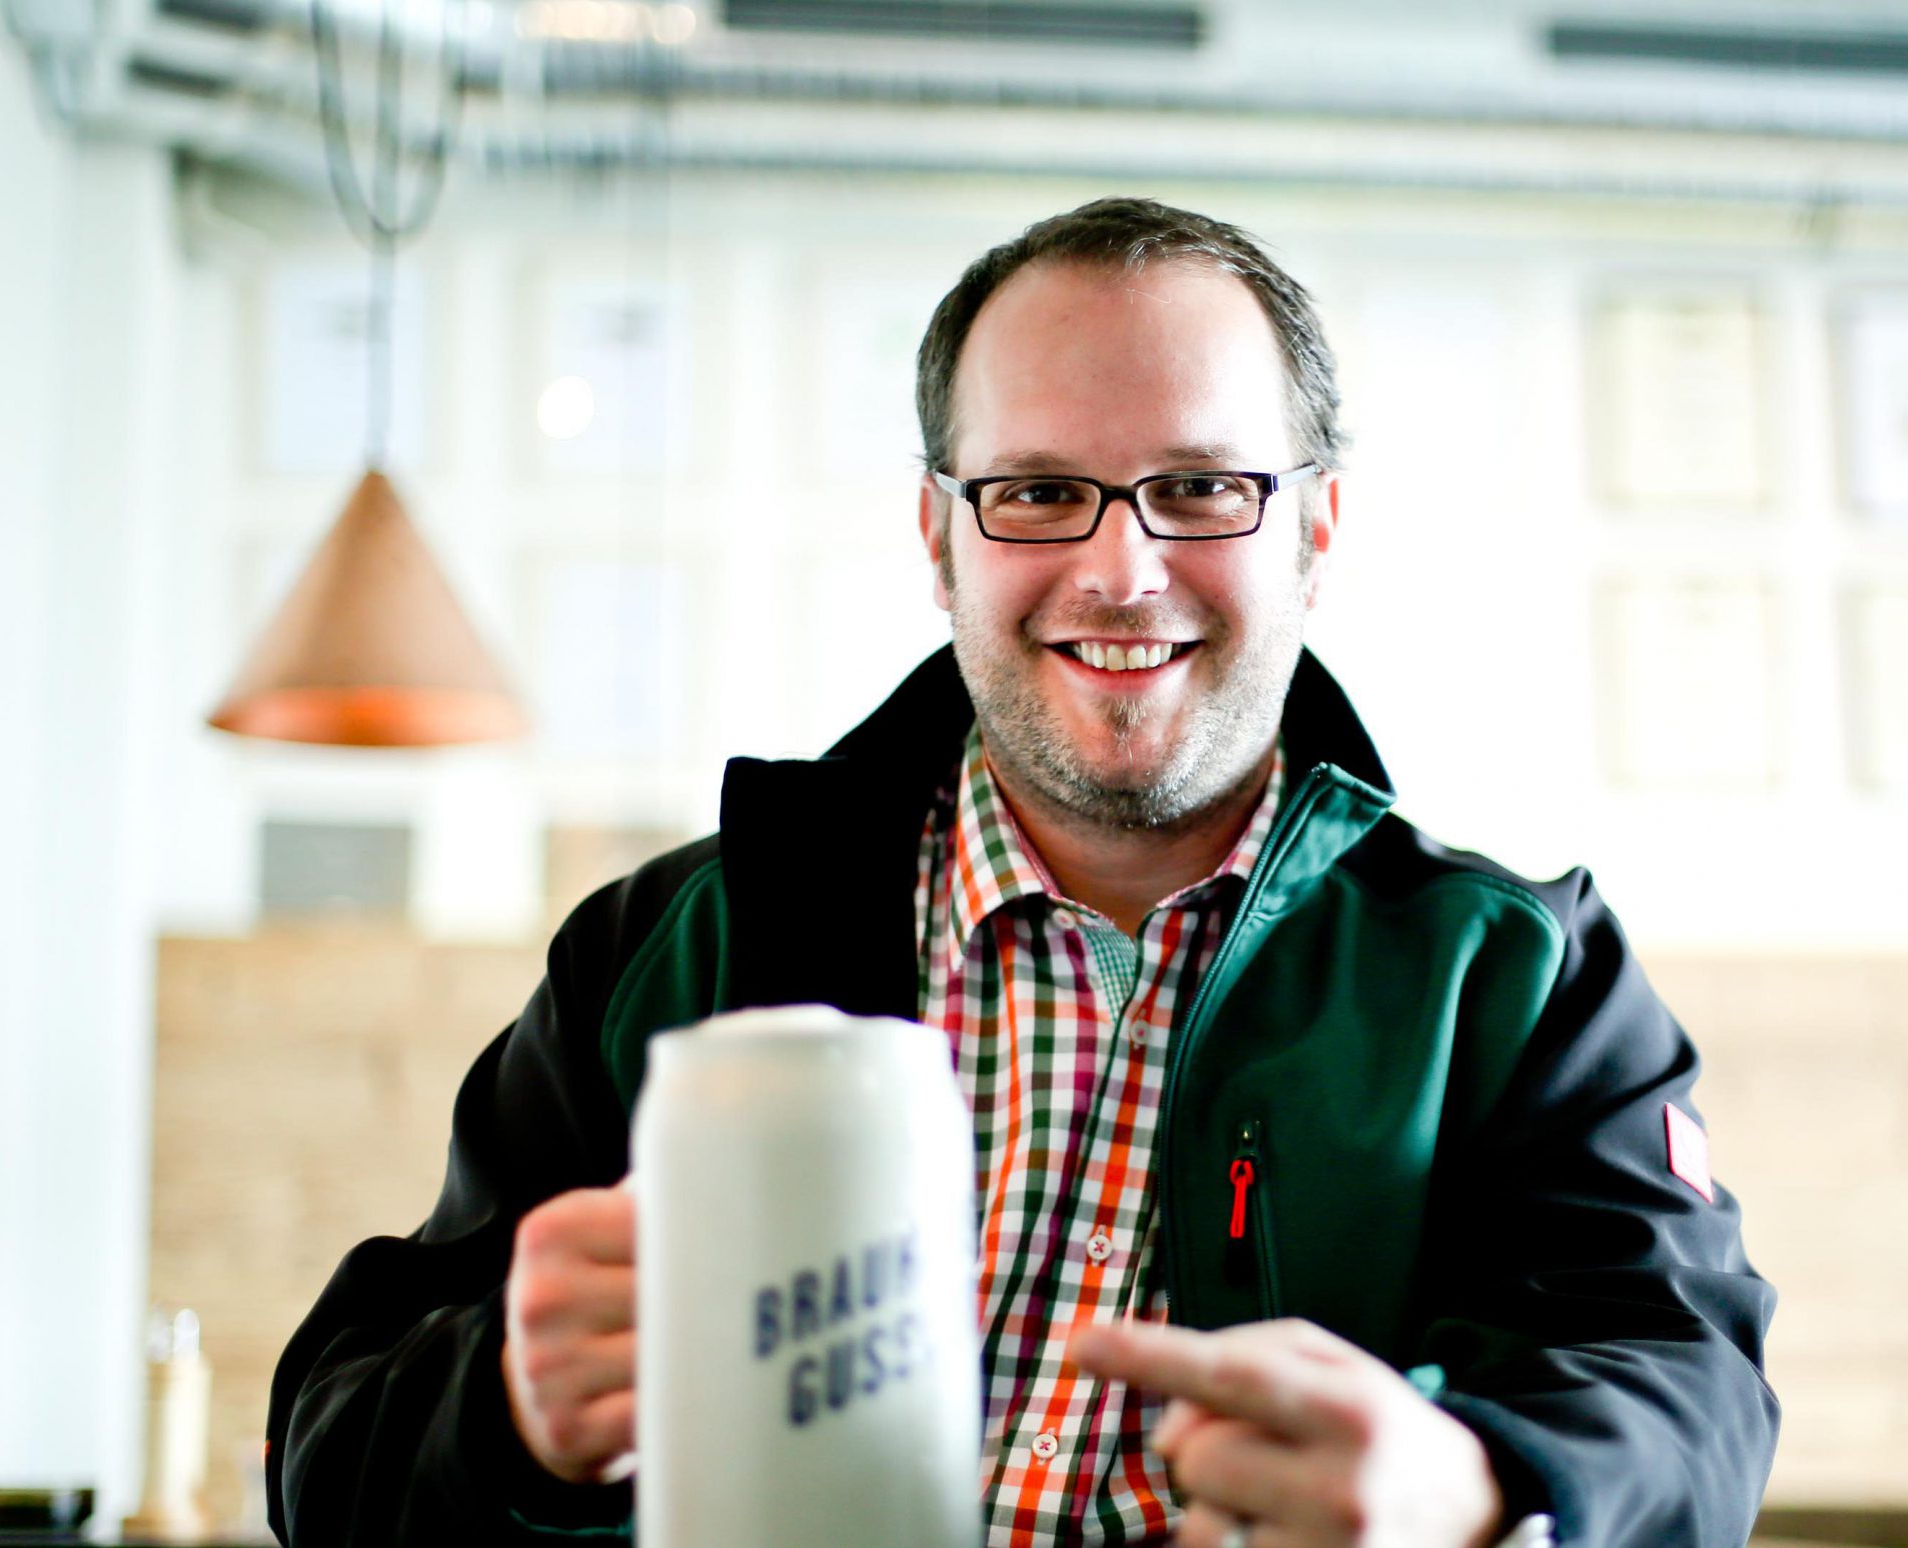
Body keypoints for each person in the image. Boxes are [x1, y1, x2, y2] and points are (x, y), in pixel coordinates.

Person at [266, 196, 1779, 1548]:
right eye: (1040, 491)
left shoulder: (1521, 979)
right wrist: (505, 1410)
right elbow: (324, 1452)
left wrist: (1478, 1483)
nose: (1120, 570)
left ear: (1315, 530)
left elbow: (1684, 1379)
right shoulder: (672, 948)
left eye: (1199, 489)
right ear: (941, 538)